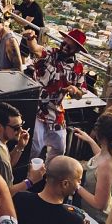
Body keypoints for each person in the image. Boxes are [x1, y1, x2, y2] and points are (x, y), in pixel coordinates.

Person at [25, 27, 89, 161]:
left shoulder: (78, 67)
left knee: (60, 147)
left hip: (56, 111)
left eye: (69, 47)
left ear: (77, 50)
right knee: (35, 147)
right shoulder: (50, 53)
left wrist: (75, 91)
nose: (65, 47)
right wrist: (30, 38)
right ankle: (29, 173)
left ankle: (49, 172)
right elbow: (35, 49)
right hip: (37, 106)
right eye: (64, 43)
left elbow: (81, 92)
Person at [72, 113, 112, 224]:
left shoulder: (105, 167)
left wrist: (76, 185)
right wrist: (90, 141)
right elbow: (101, 156)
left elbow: (99, 203)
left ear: (99, 134)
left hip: (95, 218)